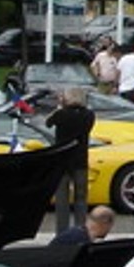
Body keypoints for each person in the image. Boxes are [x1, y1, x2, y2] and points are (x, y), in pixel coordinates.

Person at [44, 85, 96, 232]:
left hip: (62, 161)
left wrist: (60, 106)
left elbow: (48, 123)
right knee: (81, 198)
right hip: (81, 160)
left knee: (62, 200)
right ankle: (80, 228)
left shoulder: (61, 115)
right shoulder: (89, 115)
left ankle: (62, 231)